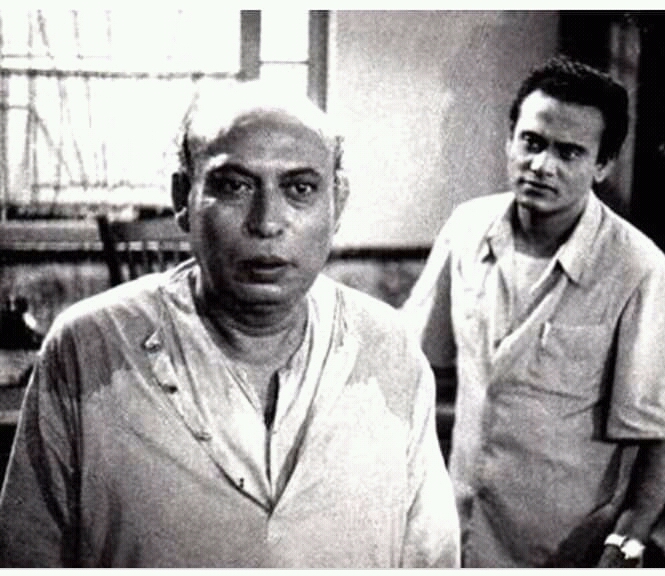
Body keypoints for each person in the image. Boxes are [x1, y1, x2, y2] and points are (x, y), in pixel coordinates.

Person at [0, 83, 459, 567]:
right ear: (183, 198)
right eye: (235, 186)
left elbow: (431, 557)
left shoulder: (387, 349)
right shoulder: (90, 346)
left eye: (300, 189)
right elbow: (26, 556)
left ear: (337, 203)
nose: (267, 222)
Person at [402, 56, 665, 567]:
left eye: (569, 152)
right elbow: (412, 358)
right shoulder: (466, 229)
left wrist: (628, 540)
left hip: (567, 549)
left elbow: (664, 433)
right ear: (509, 141)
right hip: (456, 529)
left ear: (602, 165)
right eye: (532, 143)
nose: (542, 165)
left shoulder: (640, 272)